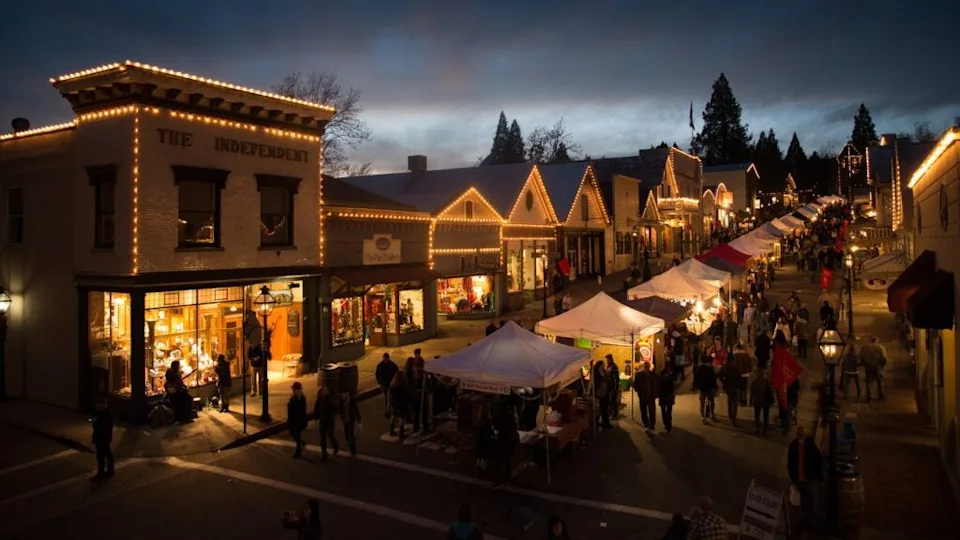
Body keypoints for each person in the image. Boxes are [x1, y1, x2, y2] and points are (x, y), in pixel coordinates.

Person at [788, 426, 823, 527]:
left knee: (813, 501)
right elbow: (790, 463)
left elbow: (817, 461)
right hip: (800, 478)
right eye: (799, 434)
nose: (801, 435)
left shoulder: (810, 446)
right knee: (803, 500)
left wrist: (817, 476)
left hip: (810, 478)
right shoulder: (793, 446)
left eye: (802, 434)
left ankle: (813, 520)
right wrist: (793, 476)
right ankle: (807, 520)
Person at [312, 385, 340, 460]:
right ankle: (324, 453)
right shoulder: (319, 400)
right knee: (322, 438)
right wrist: (316, 417)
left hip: (329, 421)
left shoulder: (330, 400)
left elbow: (336, 408)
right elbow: (316, 409)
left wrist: (333, 417)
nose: (324, 392)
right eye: (322, 391)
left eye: (325, 390)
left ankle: (335, 446)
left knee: (330, 436)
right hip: (322, 421)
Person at [90, 396, 114, 480]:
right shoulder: (102, 413)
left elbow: (102, 427)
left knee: (101, 456)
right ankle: (109, 471)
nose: (99, 406)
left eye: (100, 404)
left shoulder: (105, 414)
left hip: (103, 438)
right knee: (107, 454)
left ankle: (101, 473)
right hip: (102, 437)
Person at [859, 336, 887, 401]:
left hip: (868, 367)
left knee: (869, 382)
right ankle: (881, 396)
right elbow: (884, 358)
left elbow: (860, 357)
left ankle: (869, 396)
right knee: (880, 382)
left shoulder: (865, 348)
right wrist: (882, 366)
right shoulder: (881, 348)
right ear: (877, 341)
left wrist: (864, 363)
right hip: (878, 367)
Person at [633, 361, 658, 431]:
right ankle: (647, 425)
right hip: (643, 396)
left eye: (647, 366)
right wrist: (639, 392)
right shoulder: (639, 375)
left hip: (650, 396)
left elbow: (656, 385)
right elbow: (635, 384)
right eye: (645, 366)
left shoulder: (653, 375)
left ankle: (650, 424)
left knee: (650, 411)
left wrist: (655, 394)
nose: (646, 368)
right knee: (645, 411)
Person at [692, 359, 717, 424]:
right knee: (711, 402)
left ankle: (703, 417)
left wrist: (695, 386)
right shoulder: (710, 369)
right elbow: (713, 378)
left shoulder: (698, 369)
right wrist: (715, 387)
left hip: (702, 389)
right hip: (710, 388)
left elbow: (696, 378)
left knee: (702, 403)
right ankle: (712, 415)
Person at [288, 382, 309, 458]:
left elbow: (302, 410)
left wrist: (304, 419)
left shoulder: (302, 398)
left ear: (298, 390)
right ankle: (302, 443)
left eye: (294, 389)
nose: (293, 390)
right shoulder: (293, 398)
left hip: (298, 420)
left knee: (297, 435)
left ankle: (298, 451)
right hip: (293, 419)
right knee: (293, 434)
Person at [375, 353, 399, 417]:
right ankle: (388, 409)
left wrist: (394, 382)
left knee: (391, 397)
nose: (385, 360)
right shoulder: (380, 365)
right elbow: (377, 374)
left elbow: (397, 374)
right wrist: (380, 382)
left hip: (391, 384)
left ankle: (390, 409)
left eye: (386, 358)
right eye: (384, 358)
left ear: (388, 358)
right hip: (384, 384)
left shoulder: (392, 365)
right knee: (386, 397)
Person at [720, 360, 742, 427]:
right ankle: (733, 420)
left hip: (728, 388)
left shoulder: (725, 367)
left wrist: (724, 382)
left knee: (729, 401)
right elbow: (739, 378)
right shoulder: (735, 368)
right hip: (735, 388)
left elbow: (720, 375)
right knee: (734, 404)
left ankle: (730, 415)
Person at [475, 402, 495, 477]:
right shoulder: (488, 420)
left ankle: (478, 470)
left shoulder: (479, 419)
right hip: (485, 440)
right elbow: (490, 431)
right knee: (484, 456)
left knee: (479, 455)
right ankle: (483, 472)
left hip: (479, 440)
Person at [389, 371, 410, 439]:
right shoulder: (402, 386)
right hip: (401, 404)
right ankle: (401, 433)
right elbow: (406, 395)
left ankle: (391, 431)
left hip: (394, 403)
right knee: (401, 418)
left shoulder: (392, 385)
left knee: (393, 416)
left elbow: (390, 394)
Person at [341, 391, 361, 457]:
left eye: (346, 395)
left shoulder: (352, 402)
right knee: (347, 436)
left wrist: (359, 419)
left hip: (351, 420)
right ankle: (351, 446)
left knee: (351, 435)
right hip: (345, 420)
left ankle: (353, 450)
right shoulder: (342, 403)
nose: (344, 396)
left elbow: (356, 410)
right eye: (344, 395)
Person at [593, 361, 612, 429]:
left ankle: (605, 423)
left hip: (605, 393)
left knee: (604, 409)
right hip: (599, 393)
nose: (604, 365)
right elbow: (596, 383)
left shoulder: (604, 371)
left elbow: (607, 379)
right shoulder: (596, 373)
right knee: (598, 409)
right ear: (600, 365)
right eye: (603, 364)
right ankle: (596, 423)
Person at [658, 365, 677, 433]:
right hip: (666, 394)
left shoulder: (663, 374)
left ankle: (667, 425)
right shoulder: (670, 374)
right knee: (666, 410)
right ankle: (667, 424)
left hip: (666, 394)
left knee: (667, 411)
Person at [605, 355, 621, 419]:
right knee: (610, 400)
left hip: (612, 387)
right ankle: (610, 413)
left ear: (611, 359)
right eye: (607, 360)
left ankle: (614, 414)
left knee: (613, 401)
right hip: (609, 386)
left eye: (608, 359)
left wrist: (615, 388)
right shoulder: (609, 366)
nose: (607, 361)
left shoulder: (614, 367)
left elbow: (616, 379)